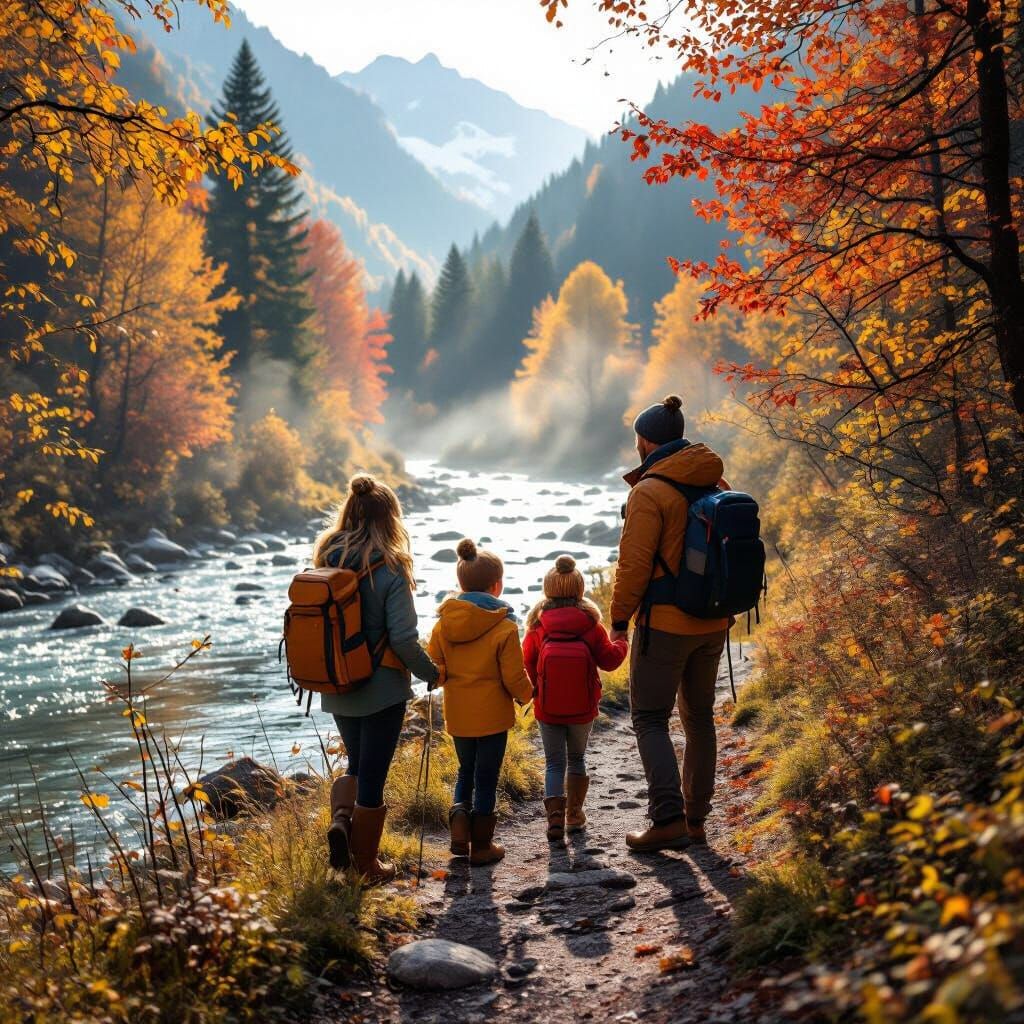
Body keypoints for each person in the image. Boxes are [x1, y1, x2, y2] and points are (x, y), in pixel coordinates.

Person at [609, 395, 730, 852]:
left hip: (665, 624)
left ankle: (667, 818)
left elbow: (634, 565)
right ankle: (696, 819)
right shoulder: (714, 480)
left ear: (644, 440)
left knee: (650, 718)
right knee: (700, 718)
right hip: (713, 621)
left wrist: (619, 620)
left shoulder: (649, 491)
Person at [312, 474, 440, 884]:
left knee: (356, 760)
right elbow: (402, 638)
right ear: (391, 518)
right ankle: (366, 868)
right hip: (381, 686)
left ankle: (342, 823)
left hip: (336, 683)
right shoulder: (390, 567)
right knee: (374, 774)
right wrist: (431, 673)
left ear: (349, 511)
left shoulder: (327, 556)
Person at [428, 538, 533, 866]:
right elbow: (513, 676)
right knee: (487, 777)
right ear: (497, 586)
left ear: (460, 583)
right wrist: (528, 695)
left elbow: (436, 671)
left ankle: (459, 832)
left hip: (459, 715)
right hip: (492, 717)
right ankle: (482, 846)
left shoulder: (442, 624)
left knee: (465, 770)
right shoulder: (504, 627)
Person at [523, 555, 628, 842]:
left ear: (548, 588)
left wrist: (537, 688)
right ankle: (574, 816)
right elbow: (609, 661)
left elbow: (528, 661)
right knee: (577, 758)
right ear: (580, 588)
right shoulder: (590, 623)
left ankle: (554, 820)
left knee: (554, 763)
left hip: (548, 708)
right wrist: (622, 641)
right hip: (582, 708)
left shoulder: (537, 625)